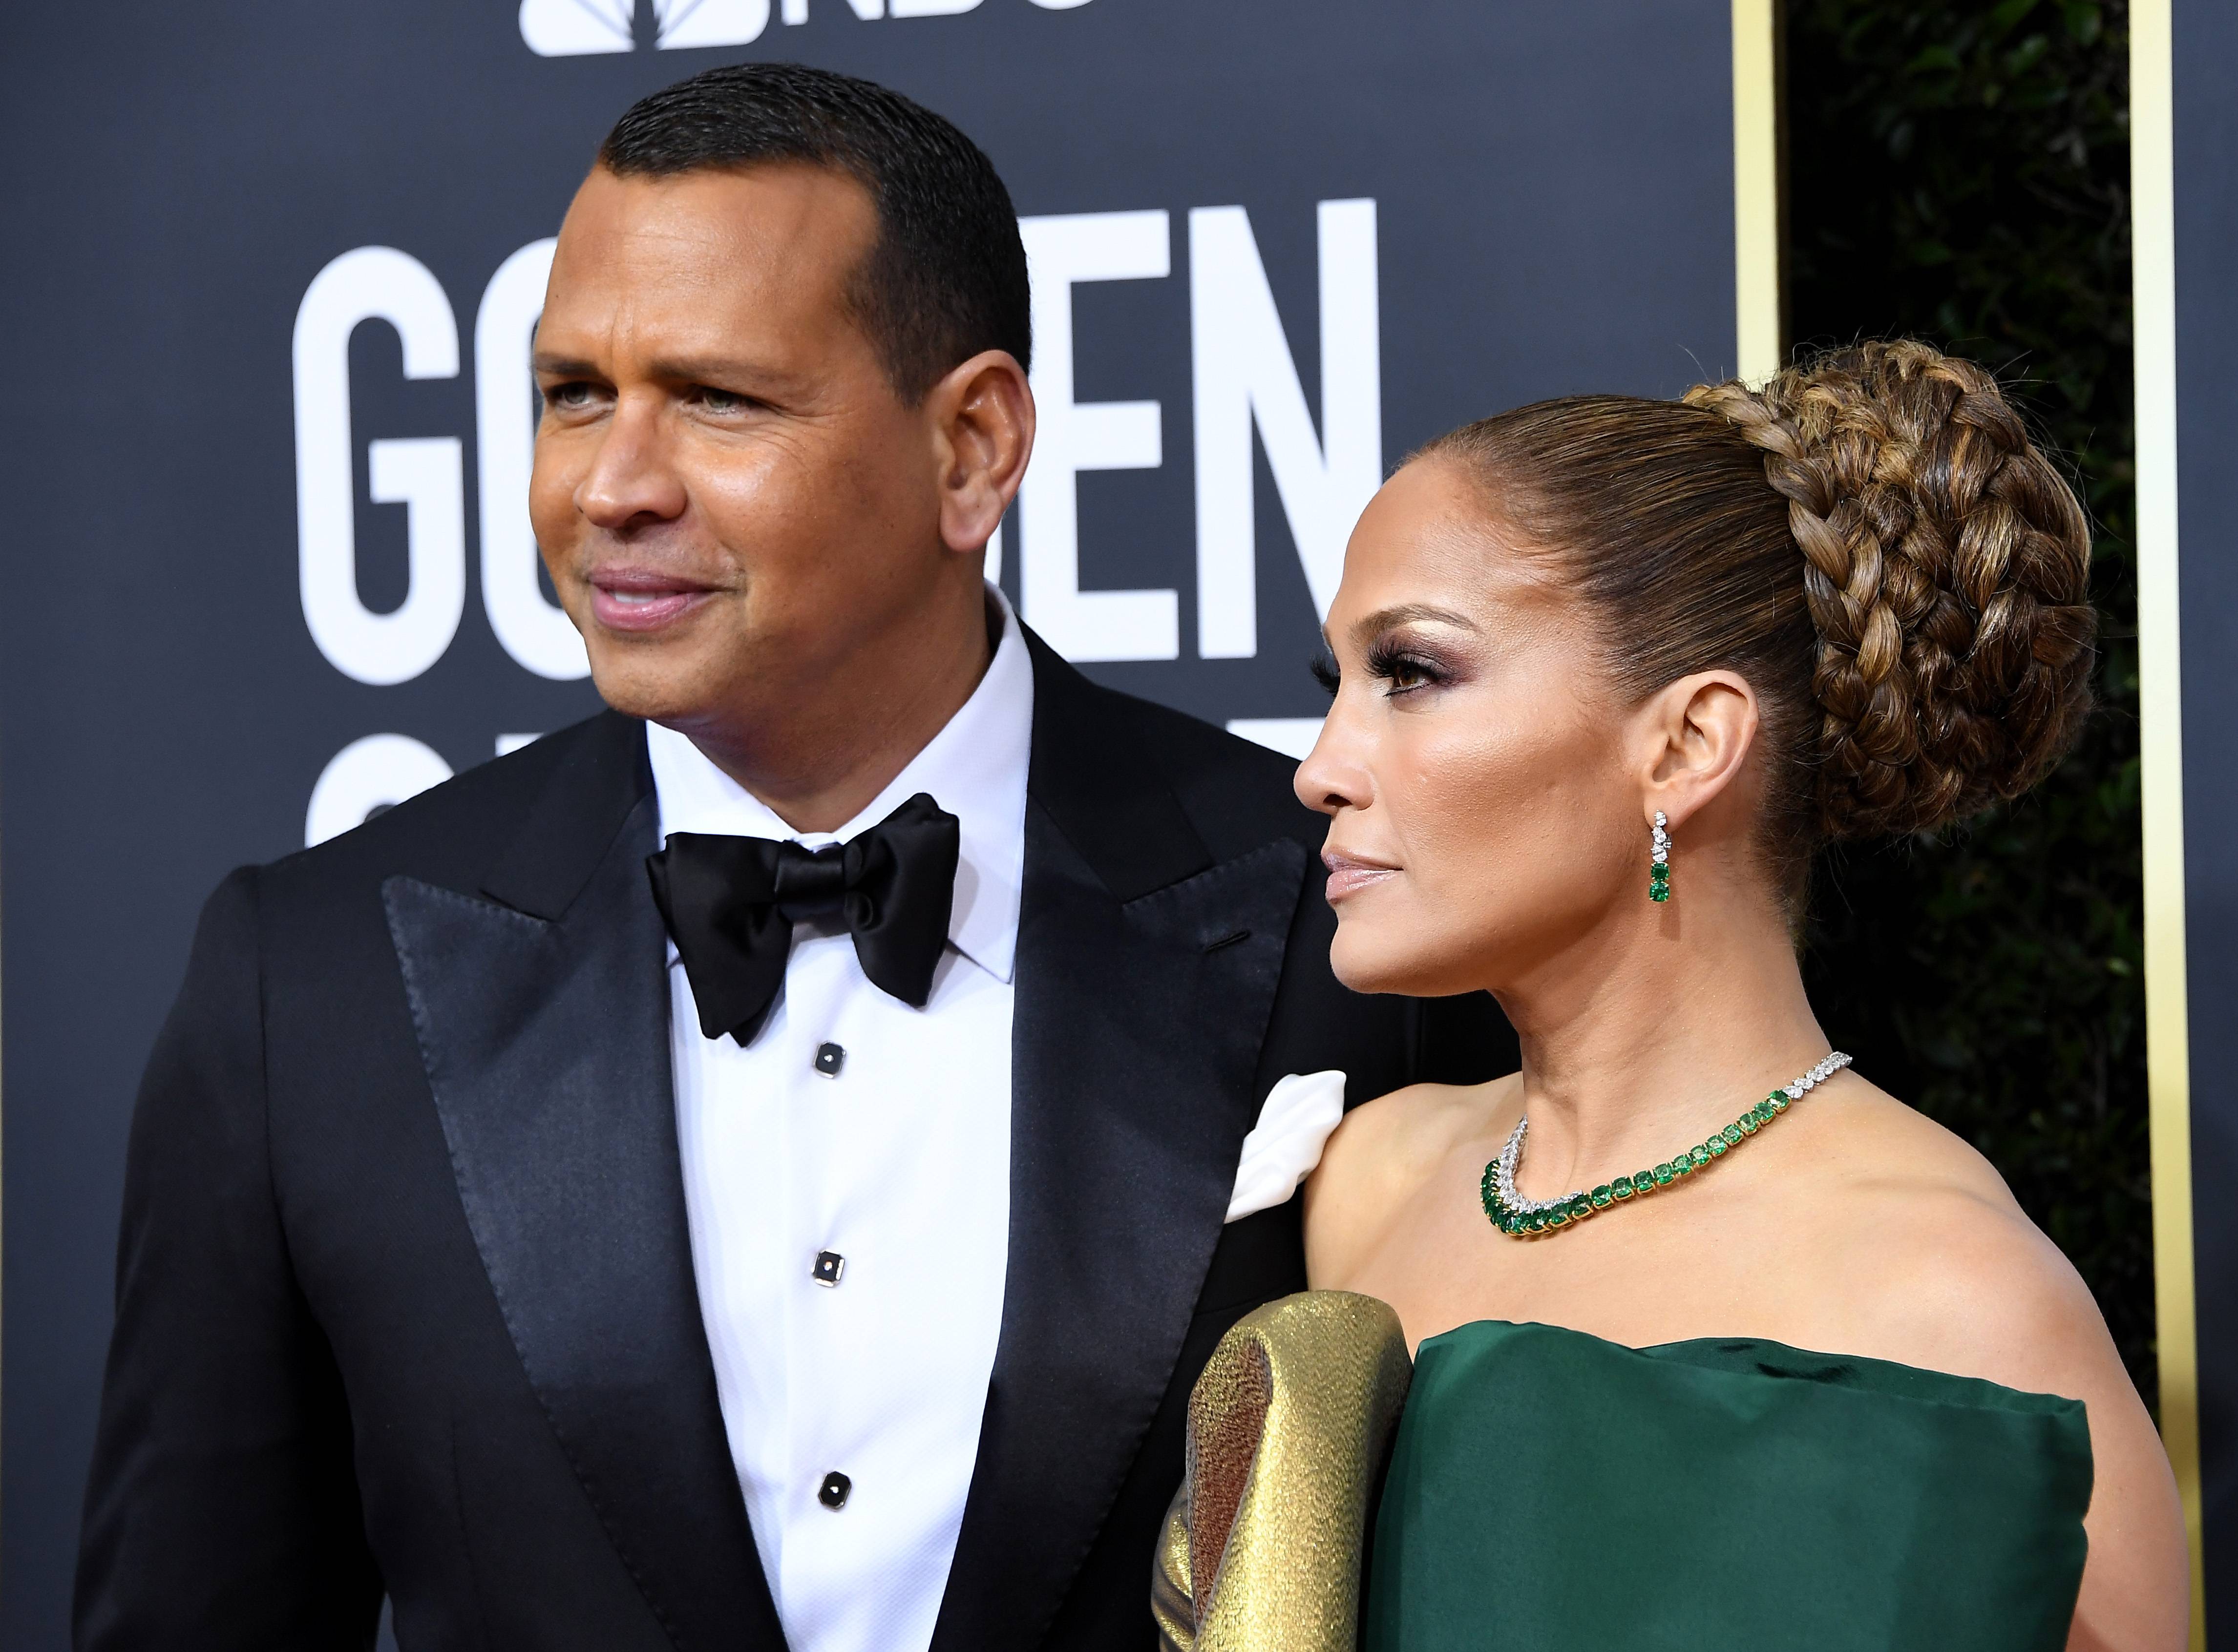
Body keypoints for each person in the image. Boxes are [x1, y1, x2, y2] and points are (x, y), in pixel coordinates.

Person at [74, 63, 1514, 1652]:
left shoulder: (1354, 925)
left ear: (972, 447)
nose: (609, 486)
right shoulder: (313, 982)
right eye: (571, 394)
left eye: (716, 400)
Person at [1164, 344, 2186, 1651]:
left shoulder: (1951, 1302)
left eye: (1410, 674)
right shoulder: (1361, 1180)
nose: (1319, 771)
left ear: (1688, 743)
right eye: (1337, 687)